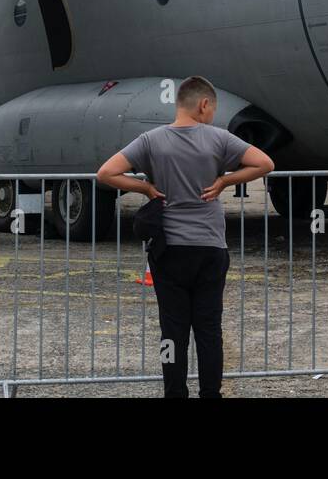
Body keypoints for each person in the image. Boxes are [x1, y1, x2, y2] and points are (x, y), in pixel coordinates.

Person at [97, 76, 274, 398]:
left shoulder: (151, 139)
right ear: (204, 105)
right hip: (210, 247)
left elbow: (106, 173)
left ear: (179, 103)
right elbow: (265, 163)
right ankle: (211, 392)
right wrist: (224, 182)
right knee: (208, 329)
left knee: (172, 330)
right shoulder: (220, 139)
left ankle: (174, 391)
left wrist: (145, 188)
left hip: (170, 250)